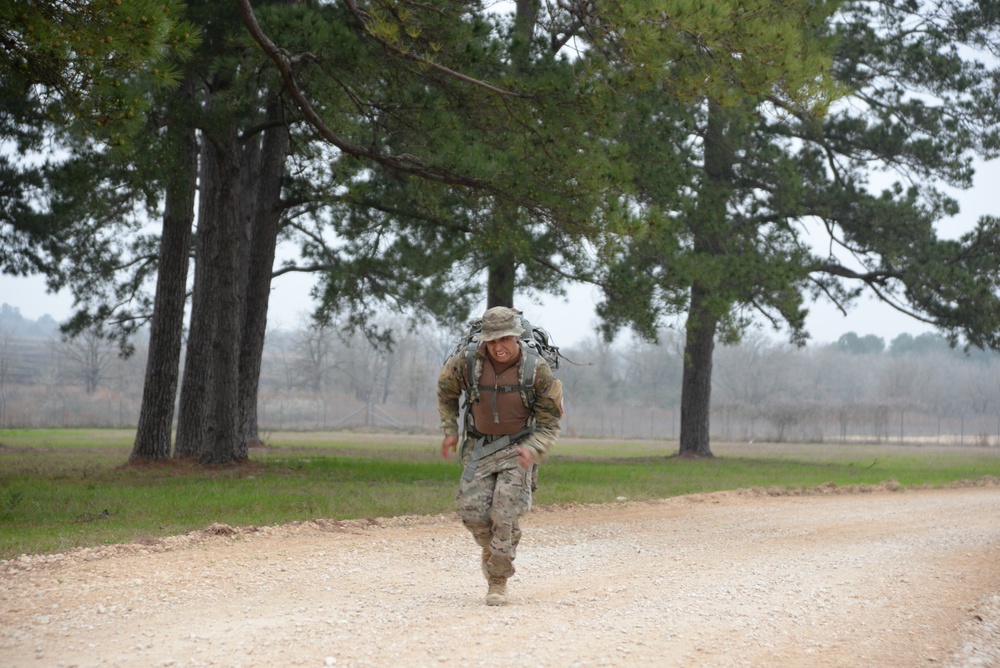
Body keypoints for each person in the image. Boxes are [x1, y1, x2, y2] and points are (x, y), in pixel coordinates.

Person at [438, 306, 563, 606]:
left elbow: (549, 422)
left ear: (516, 337)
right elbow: (446, 391)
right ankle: (492, 550)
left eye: (504, 339)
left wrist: (533, 448)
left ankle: (498, 580)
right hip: (479, 447)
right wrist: (450, 430)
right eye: (491, 341)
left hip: (517, 448)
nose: (497, 347)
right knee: (472, 514)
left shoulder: (536, 369)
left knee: (504, 515)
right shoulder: (468, 362)